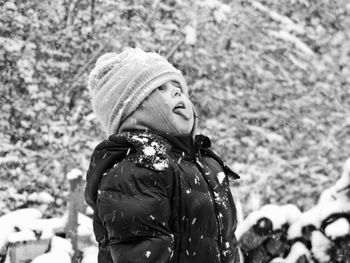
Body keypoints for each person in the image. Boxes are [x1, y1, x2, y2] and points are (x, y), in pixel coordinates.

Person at [85, 48, 241, 263]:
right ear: (132, 110)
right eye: (161, 89)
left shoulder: (206, 163)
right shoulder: (137, 170)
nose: (177, 93)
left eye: (178, 88)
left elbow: (227, 243)